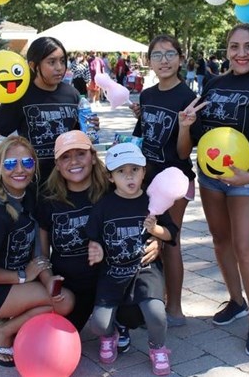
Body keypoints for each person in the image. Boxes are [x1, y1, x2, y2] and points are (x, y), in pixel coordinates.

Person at [179, 23, 249, 356]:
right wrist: (187, 124)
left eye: (248, 46)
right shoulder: (213, 83)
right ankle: (237, 301)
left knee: (245, 246)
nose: (241, 53)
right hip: (210, 176)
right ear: (226, 50)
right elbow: (198, 131)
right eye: (234, 47)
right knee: (221, 239)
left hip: (247, 178)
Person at [38, 131, 163, 339]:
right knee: (57, 337)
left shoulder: (114, 191)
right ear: (57, 164)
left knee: (136, 312)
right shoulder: (48, 199)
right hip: (71, 286)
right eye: (65, 157)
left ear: (93, 157)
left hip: (111, 281)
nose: (74, 162)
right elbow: (41, 253)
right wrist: (48, 280)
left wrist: (157, 239)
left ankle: (120, 321)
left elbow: (143, 220)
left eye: (81, 154)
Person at [0, 136, 74, 367]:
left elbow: (37, 251)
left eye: (27, 162)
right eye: (11, 163)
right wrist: (22, 276)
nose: (20, 170)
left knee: (61, 299)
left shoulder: (29, 194)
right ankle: (1, 332)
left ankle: (7, 323)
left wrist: (48, 279)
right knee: (64, 304)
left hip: (15, 283)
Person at [130, 34, 205, 327]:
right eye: (157, 55)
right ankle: (153, 301)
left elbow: (184, 153)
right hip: (148, 179)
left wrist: (185, 127)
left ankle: (175, 309)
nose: (164, 61)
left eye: (170, 54)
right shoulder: (147, 95)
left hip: (175, 182)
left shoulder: (189, 98)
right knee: (150, 238)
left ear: (180, 58)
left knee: (170, 240)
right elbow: (141, 138)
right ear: (149, 61)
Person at [87, 143, 178, 376]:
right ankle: (111, 334)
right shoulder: (103, 206)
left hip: (145, 271)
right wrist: (96, 248)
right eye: (121, 171)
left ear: (143, 172)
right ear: (110, 177)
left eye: (135, 169)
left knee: (157, 313)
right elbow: (93, 237)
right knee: (98, 324)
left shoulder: (152, 202)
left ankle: (157, 347)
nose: (129, 176)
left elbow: (171, 234)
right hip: (113, 273)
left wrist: (156, 230)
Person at [0, 36, 81, 181]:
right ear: (33, 65)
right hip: (34, 182)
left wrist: (91, 126)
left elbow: (81, 136)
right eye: (51, 62)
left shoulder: (72, 94)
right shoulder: (21, 95)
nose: (59, 67)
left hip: (68, 180)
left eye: (62, 61)